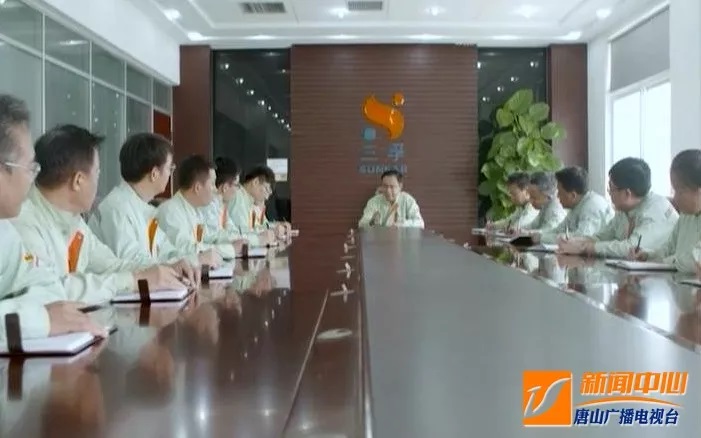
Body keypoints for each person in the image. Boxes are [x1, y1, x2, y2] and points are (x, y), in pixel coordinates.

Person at [11, 125, 191, 305]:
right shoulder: (23, 222)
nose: (98, 182)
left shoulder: (74, 221)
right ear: (78, 181)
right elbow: (50, 290)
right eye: (97, 173)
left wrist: (164, 269)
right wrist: (134, 280)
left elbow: (111, 265)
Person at [89, 133, 217, 268]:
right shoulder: (117, 207)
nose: (170, 174)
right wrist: (194, 261)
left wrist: (192, 259)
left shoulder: (142, 207)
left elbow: (167, 251)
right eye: (169, 168)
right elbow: (133, 263)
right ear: (154, 174)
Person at [559, 158, 678, 257]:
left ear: (627, 193)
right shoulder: (625, 210)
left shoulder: (655, 210)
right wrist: (575, 241)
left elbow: (631, 247)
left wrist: (586, 248)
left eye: (611, 189)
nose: (609, 193)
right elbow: (601, 237)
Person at [156, 155, 247, 258]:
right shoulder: (171, 211)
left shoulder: (195, 210)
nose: (215, 189)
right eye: (212, 184)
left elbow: (211, 237)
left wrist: (237, 242)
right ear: (198, 188)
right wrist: (230, 249)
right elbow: (186, 249)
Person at [631, 150, 701, 272]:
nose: (675, 198)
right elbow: (669, 249)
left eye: (680, 191)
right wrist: (648, 255)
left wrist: (663, 262)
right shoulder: (686, 215)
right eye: (674, 190)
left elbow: (694, 261)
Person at [537, 166, 613, 244]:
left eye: (560, 192)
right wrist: (537, 236)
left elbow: (581, 238)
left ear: (573, 195)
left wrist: (541, 238)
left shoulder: (592, 207)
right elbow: (558, 230)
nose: (557, 196)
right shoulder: (577, 205)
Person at [227, 165, 279, 245]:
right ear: (255, 182)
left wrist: (275, 227)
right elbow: (242, 231)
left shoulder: (251, 201)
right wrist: (264, 234)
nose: (266, 197)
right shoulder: (238, 196)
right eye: (266, 189)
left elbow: (262, 225)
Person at [358, 170, 424, 228]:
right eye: (385, 186)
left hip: (403, 237)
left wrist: (402, 224)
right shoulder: (374, 201)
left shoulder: (408, 200)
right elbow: (361, 224)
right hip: (380, 237)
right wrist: (371, 223)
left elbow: (420, 223)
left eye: (392, 187)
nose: (388, 190)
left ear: (400, 186)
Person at [198, 157, 242, 242]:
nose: (238, 189)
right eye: (237, 185)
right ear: (225, 187)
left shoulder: (220, 205)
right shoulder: (208, 206)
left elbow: (233, 230)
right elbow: (215, 238)